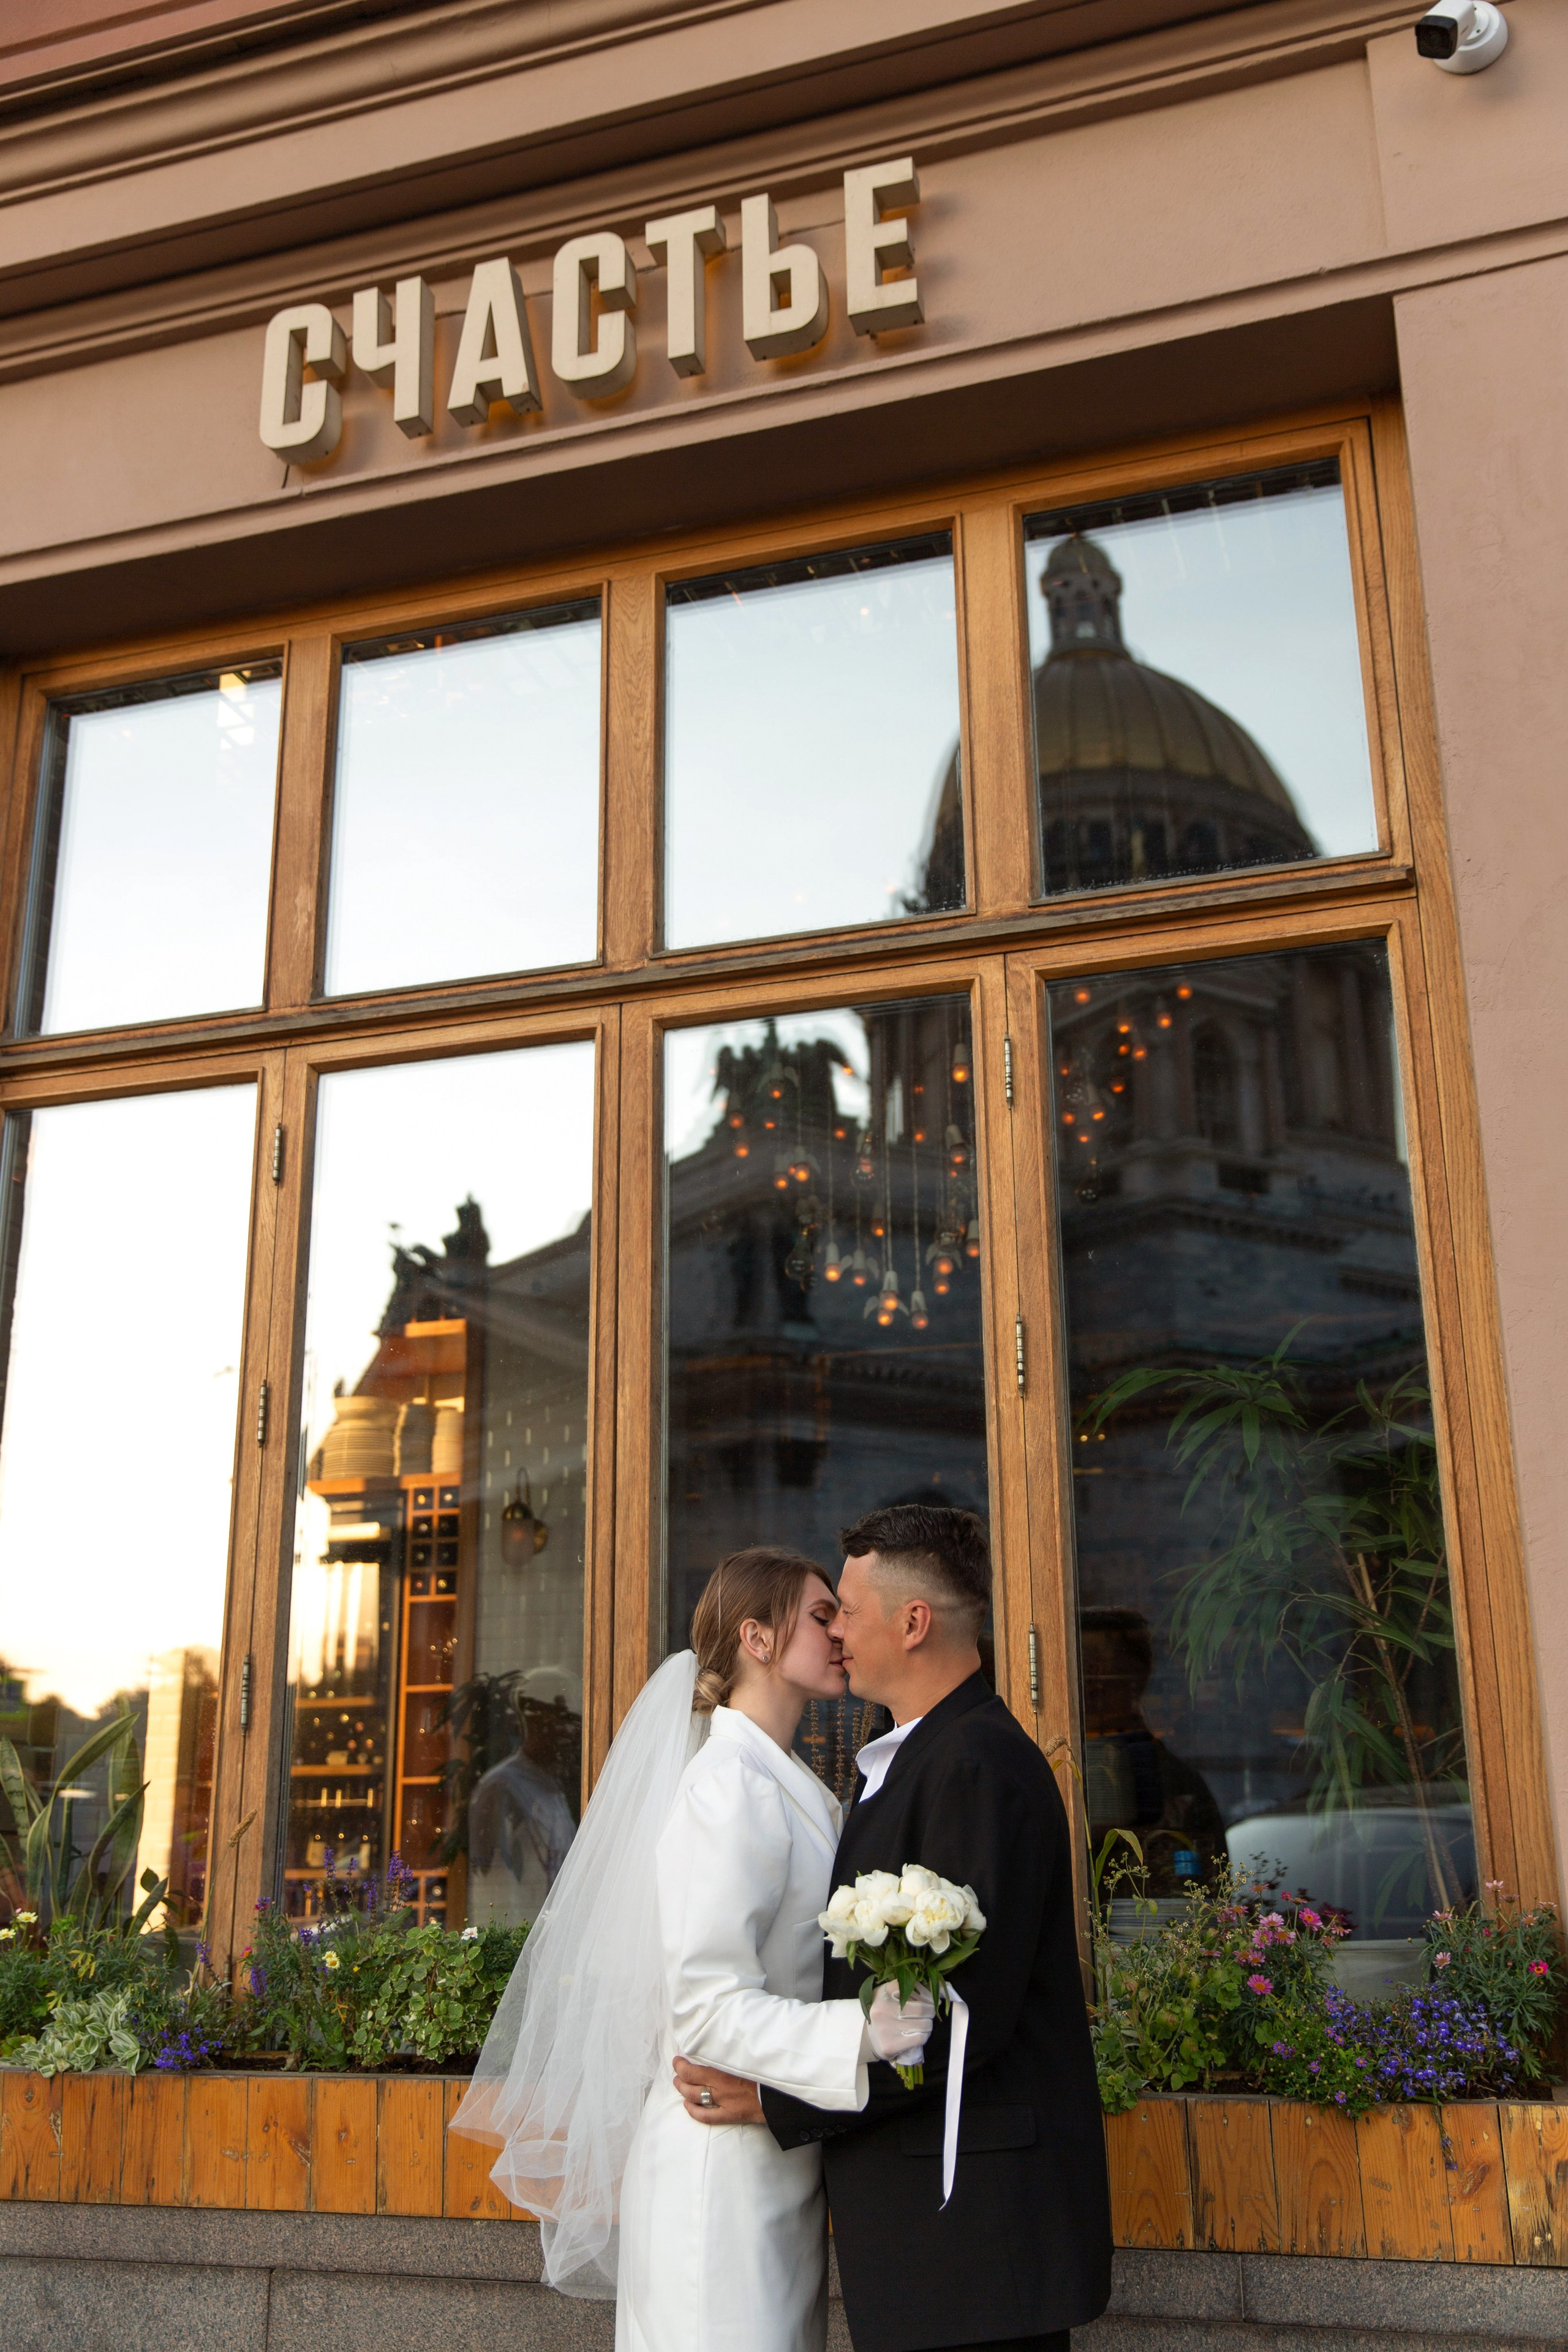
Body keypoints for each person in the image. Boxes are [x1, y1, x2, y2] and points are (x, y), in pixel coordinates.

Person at [448, 1545, 932, 2352]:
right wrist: (862, 2032)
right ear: (759, 1639)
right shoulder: (726, 1789)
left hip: (773, 2164)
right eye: (822, 1617)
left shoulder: (790, 1781)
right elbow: (705, 2009)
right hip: (717, 2181)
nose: (841, 1634)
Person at [673, 1504, 1114, 2352]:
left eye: (845, 1609)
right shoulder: (909, 1757)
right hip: (933, 2249)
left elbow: (951, 2020)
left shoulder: (976, 1767)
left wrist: (774, 2099)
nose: (833, 1631)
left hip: (971, 2241)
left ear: (914, 1623)